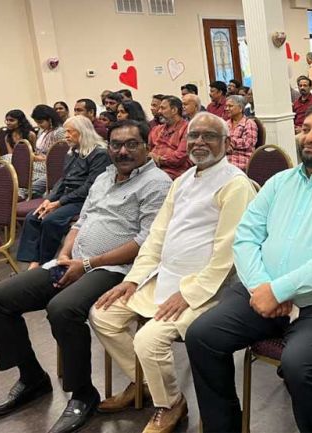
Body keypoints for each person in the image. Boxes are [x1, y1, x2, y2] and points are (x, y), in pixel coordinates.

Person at [185, 102, 312, 433]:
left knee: (299, 365)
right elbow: (245, 237)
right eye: (305, 129)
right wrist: (262, 287)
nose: (309, 137)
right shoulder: (280, 182)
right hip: (262, 287)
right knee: (202, 336)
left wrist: (279, 291)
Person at [0, 119, 171, 433]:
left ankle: (83, 393)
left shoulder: (158, 184)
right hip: (74, 261)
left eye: (131, 144)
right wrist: (65, 254)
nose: (123, 151)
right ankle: (32, 378)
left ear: (146, 146)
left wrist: (87, 264)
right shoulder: (104, 177)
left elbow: (145, 242)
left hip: (115, 269)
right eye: (116, 145)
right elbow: (81, 222)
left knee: (63, 309)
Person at [90, 112, 255, 433]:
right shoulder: (182, 181)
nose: (199, 142)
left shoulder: (236, 185)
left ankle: (169, 404)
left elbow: (229, 255)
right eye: (193, 136)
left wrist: (189, 293)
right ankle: (146, 385)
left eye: (209, 136)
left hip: (208, 290)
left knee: (148, 340)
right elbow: (156, 238)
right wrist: (133, 279)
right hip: (163, 278)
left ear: (227, 143)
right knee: (103, 314)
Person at [16, 115, 112, 267]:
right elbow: (63, 180)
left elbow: (90, 187)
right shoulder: (73, 151)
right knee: (33, 217)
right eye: (65, 131)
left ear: (83, 131)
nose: (66, 135)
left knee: (50, 220)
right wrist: (49, 199)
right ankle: (34, 262)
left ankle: (44, 263)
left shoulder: (100, 154)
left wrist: (59, 203)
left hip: (84, 200)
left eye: (69, 131)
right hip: (67, 197)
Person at [149, 96, 190, 179]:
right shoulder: (156, 129)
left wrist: (158, 159)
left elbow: (179, 157)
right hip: (152, 170)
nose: (159, 111)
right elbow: (147, 152)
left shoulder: (187, 128)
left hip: (174, 174)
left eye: (163, 108)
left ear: (174, 110)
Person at [30, 104, 67, 197]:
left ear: (50, 119)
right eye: (37, 123)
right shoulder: (42, 131)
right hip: (37, 164)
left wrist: (42, 158)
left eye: (41, 122)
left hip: (50, 166)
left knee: (31, 187)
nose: (39, 125)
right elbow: (38, 150)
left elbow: (62, 156)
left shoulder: (59, 132)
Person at [224, 95, 258, 170]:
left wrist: (230, 143)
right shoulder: (226, 123)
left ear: (240, 108)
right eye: (226, 106)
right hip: (225, 158)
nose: (227, 109)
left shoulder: (249, 123)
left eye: (230, 106)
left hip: (241, 159)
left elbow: (249, 143)